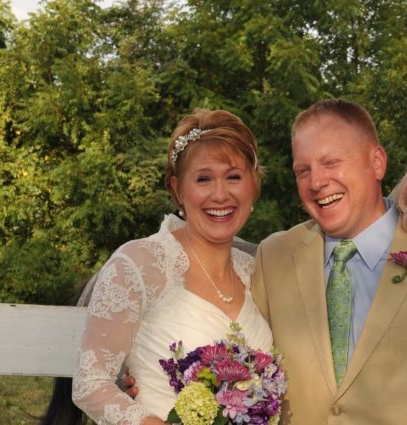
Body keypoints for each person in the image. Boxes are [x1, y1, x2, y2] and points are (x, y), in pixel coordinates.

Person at [250, 98, 407, 424]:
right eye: (303, 170)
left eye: (331, 162)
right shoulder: (273, 257)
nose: (316, 182)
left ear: (377, 162)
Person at [70, 108, 273, 424]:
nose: (220, 194)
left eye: (234, 176)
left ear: (253, 185)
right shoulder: (138, 265)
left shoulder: (256, 272)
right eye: (203, 178)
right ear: (177, 189)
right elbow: (90, 385)